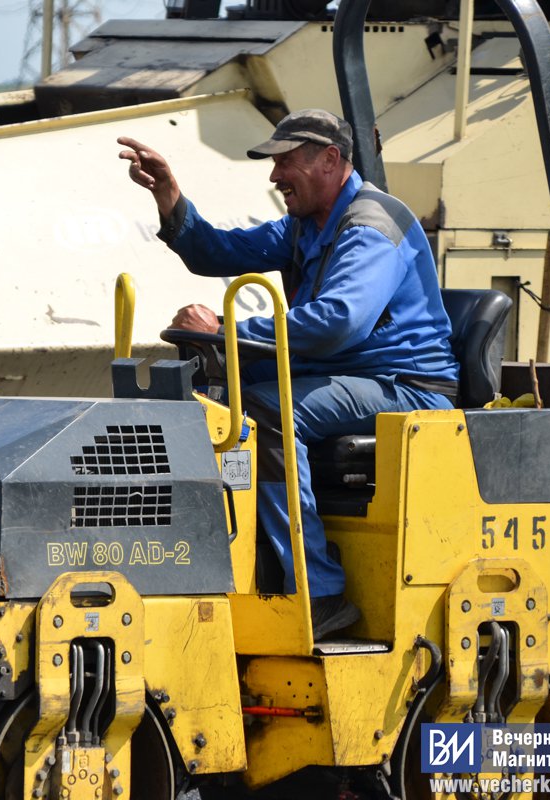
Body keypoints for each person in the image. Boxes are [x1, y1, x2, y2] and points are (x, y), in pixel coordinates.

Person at [117, 109, 459, 641]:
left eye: (285, 161)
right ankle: (234, 554)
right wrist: (169, 196)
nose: (274, 176)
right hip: (344, 376)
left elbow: (339, 323)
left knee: (265, 410)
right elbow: (220, 251)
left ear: (330, 159)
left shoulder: (370, 227)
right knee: (213, 397)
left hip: (403, 386)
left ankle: (317, 591)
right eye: (273, 162)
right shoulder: (306, 226)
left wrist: (225, 327)